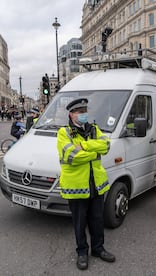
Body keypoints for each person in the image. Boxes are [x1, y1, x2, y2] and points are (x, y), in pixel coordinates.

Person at [56, 98, 115, 270]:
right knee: (80, 222)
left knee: (97, 220)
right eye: (80, 112)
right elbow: (71, 156)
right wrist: (94, 152)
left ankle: (98, 248)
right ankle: (82, 252)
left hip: (96, 184)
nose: (83, 114)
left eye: (85, 111)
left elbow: (106, 145)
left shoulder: (94, 129)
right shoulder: (64, 132)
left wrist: (84, 145)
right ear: (71, 114)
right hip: (76, 186)